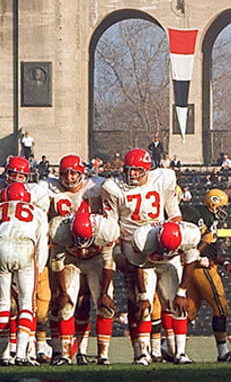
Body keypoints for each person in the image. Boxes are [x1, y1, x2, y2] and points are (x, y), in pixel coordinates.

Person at [100, 147, 180, 364]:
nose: (132, 174)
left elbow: (175, 215)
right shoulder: (113, 188)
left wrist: (172, 240)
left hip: (160, 242)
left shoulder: (163, 179)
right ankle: (140, 351)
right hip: (131, 246)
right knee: (137, 302)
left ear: (147, 169)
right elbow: (112, 224)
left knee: (170, 299)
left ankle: (175, 350)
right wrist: (117, 252)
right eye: (129, 170)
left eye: (137, 170)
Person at [0, 182, 49, 366]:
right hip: (25, 247)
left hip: (1, 247)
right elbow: (41, 246)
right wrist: (37, 267)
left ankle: (5, 354)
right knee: (25, 303)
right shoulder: (37, 212)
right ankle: (21, 354)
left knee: (3, 303)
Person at [122, 219, 203, 364]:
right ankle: (144, 354)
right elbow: (138, 266)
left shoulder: (190, 235)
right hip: (147, 265)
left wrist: (182, 292)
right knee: (145, 308)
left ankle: (180, 353)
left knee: (179, 307)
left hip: (170, 264)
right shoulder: (143, 237)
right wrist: (142, 296)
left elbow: (190, 262)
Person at [47, 202, 118, 365]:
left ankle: (103, 356)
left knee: (105, 308)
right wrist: (62, 293)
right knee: (65, 307)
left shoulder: (106, 230)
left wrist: (105, 293)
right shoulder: (59, 229)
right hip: (71, 261)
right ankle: (65, 355)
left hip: (96, 261)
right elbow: (56, 263)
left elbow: (108, 262)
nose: (80, 242)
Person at [181, 188, 231, 362]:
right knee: (221, 308)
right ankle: (223, 353)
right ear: (213, 203)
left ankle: (169, 348)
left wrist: (224, 262)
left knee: (188, 312)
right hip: (202, 270)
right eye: (221, 206)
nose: (224, 210)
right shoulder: (201, 217)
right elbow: (191, 242)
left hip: (196, 268)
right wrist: (199, 258)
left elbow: (210, 247)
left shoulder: (210, 218)